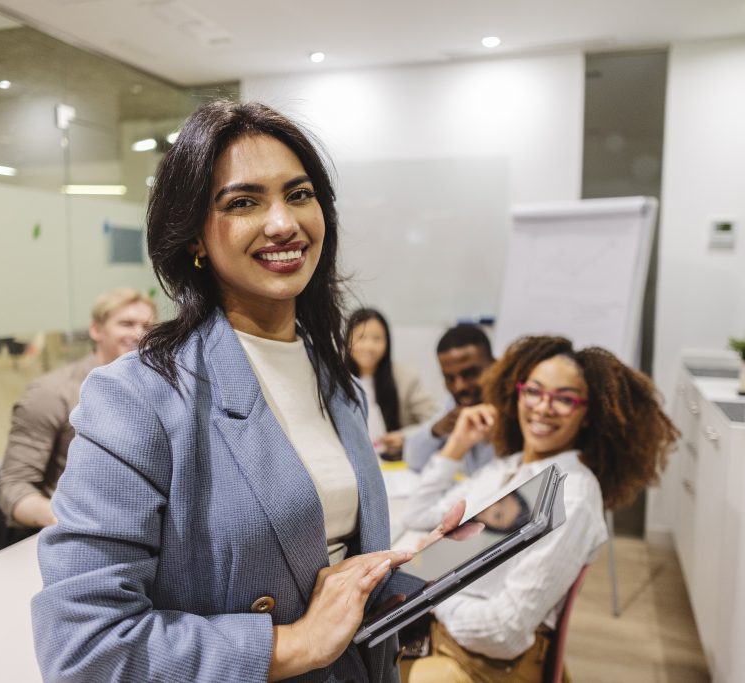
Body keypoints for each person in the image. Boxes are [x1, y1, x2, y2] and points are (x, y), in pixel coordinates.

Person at [31, 101, 461, 683]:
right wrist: (292, 643)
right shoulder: (136, 397)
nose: (283, 223)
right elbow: (86, 647)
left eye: (300, 194)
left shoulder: (336, 378)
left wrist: (409, 576)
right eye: (242, 202)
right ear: (194, 239)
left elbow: (323, 560)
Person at [401, 335, 678, 683]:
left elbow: (504, 633)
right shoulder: (509, 467)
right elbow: (416, 513)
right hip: (445, 636)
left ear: (588, 414)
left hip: (482, 664)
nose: (543, 407)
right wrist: (457, 445)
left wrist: (434, 590)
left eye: (564, 398)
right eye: (534, 391)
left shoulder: (568, 493)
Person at [0, 287, 156, 543]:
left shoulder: (156, 390)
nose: (138, 334)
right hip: (75, 537)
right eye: (126, 324)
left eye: (147, 326)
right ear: (96, 330)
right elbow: (13, 486)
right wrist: (66, 520)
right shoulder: (52, 393)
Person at [346, 307, 439, 459]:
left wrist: (403, 437)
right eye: (361, 338)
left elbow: (434, 420)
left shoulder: (406, 378)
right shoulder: (335, 379)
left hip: (394, 462)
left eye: (377, 339)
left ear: (387, 342)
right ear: (347, 340)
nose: (369, 346)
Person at [403, 324, 496, 475]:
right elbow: (413, 460)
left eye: (470, 373)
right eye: (449, 378)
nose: (459, 387)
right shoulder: (458, 405)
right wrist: (436, 431)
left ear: (495, 366)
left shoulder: (516, 410)